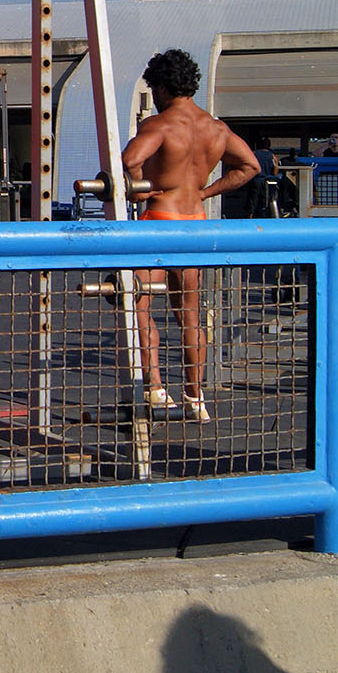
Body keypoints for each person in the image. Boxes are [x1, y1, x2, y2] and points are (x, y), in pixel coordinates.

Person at [121, 49, 260, 422]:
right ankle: (195, 399)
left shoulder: (161, 124)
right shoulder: (216, 128)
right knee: (190, 314)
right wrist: (203, 191)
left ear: (163, 87)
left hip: (158, 220)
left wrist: (138, 187)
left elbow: (130, 157)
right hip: (194, 223)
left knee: (138, 304)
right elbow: (250, 166)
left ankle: (156, 388)